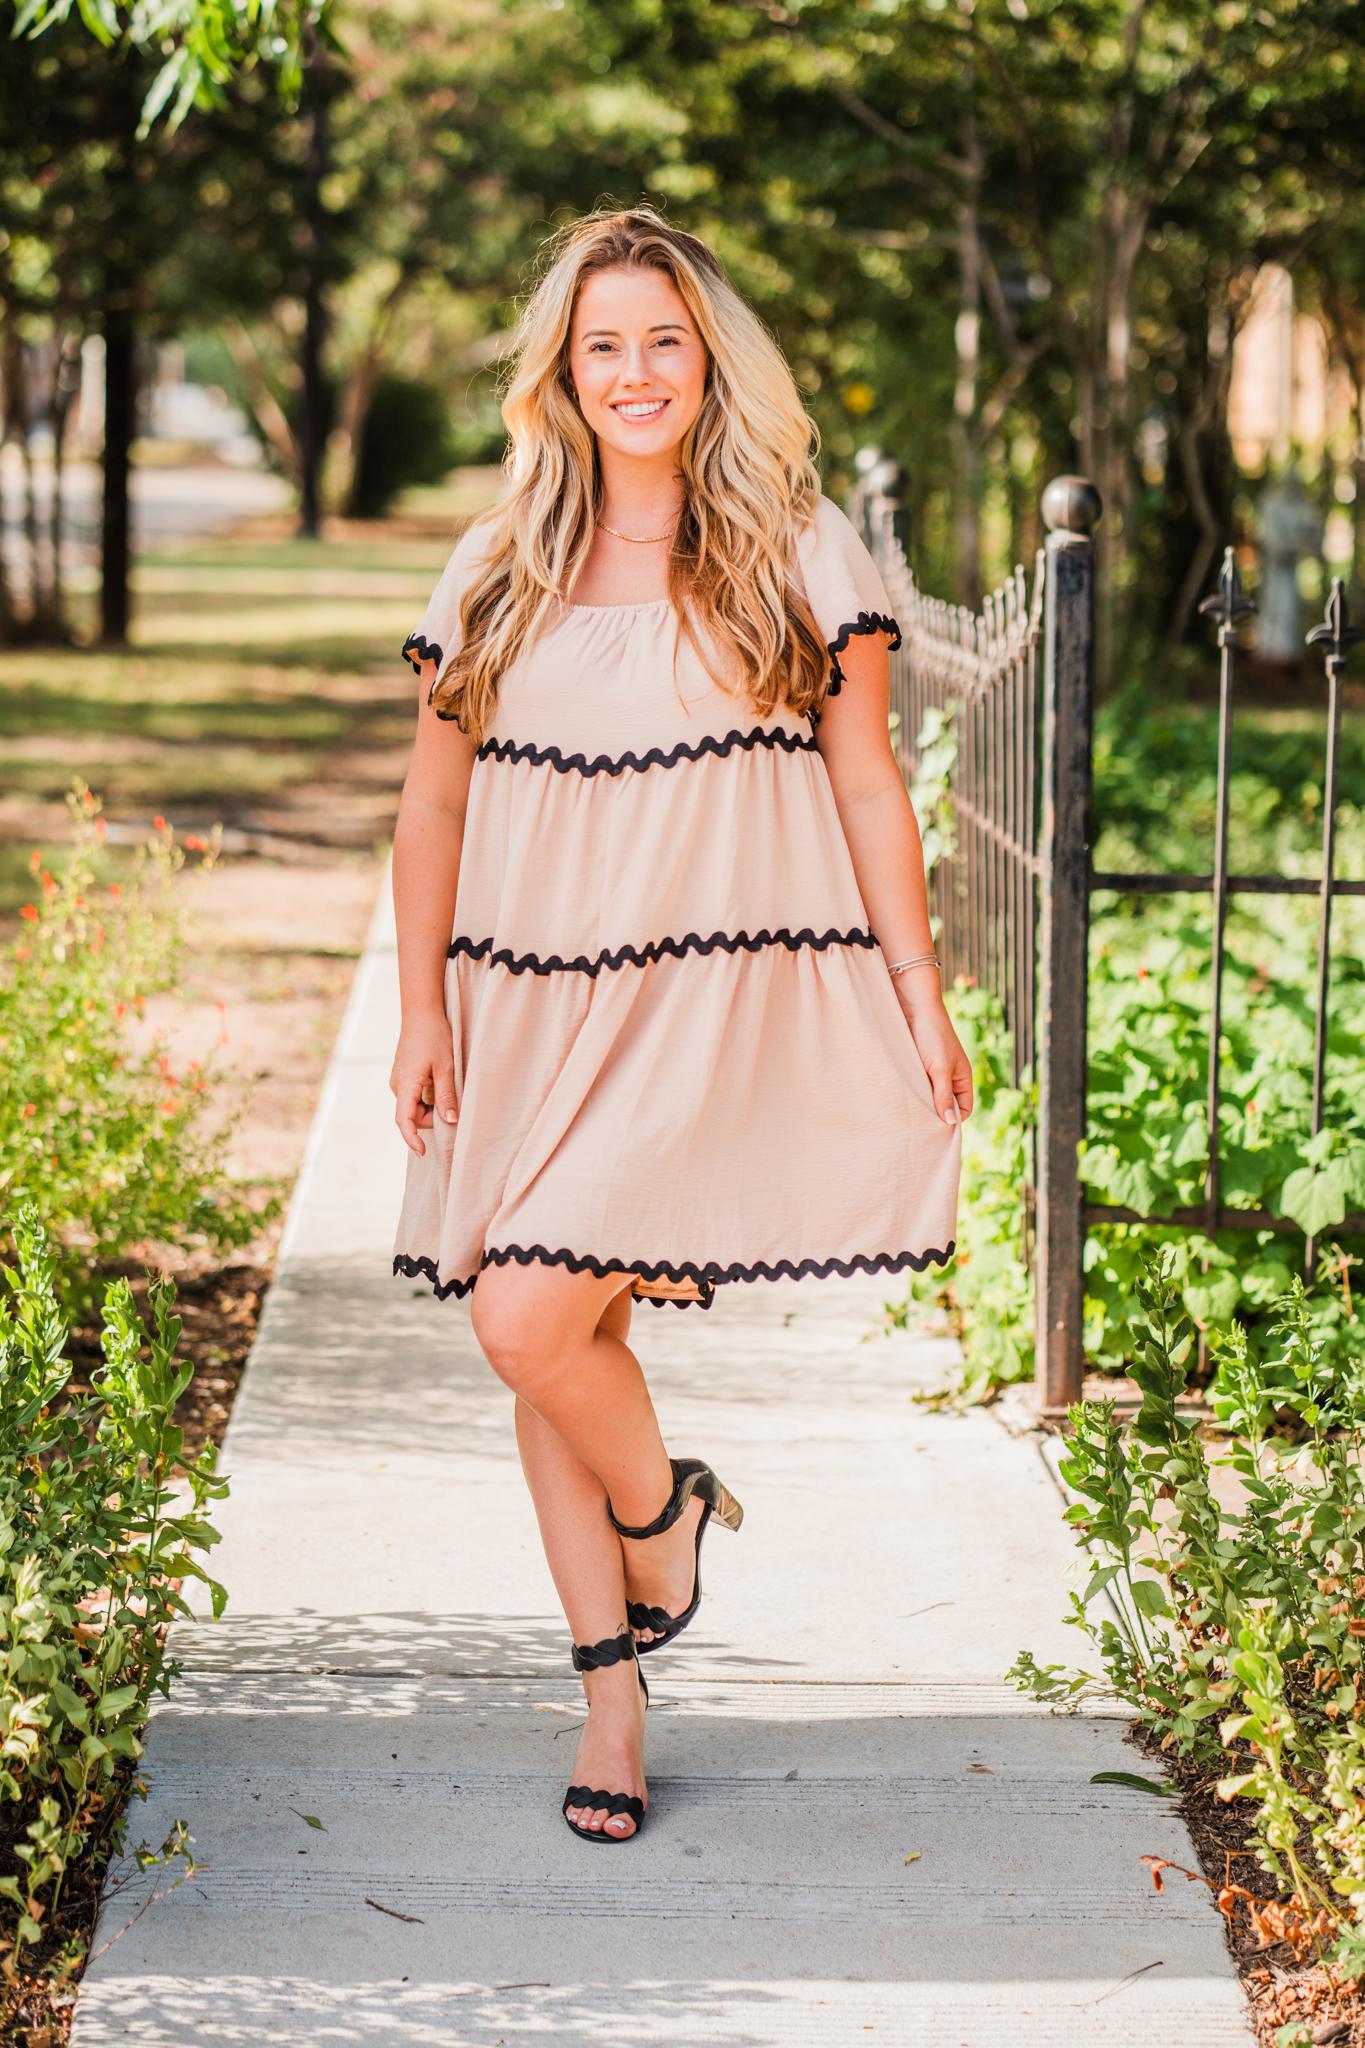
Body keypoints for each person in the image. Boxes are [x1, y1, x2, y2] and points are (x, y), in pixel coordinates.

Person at [387, 205, 969, 1845]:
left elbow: (864, 780)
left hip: (700, 1006)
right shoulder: (498, 562)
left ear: (708, 359)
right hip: (524, 1000)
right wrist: (421, 1007)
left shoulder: (799, 544)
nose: (634, 372)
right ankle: (612, 1702)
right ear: (559, 377)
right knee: (558, 1340)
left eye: (663, 340)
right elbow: (431, 806)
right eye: (601, 346)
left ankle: (660, 1520)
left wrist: (913, 991)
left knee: (523, 1320)